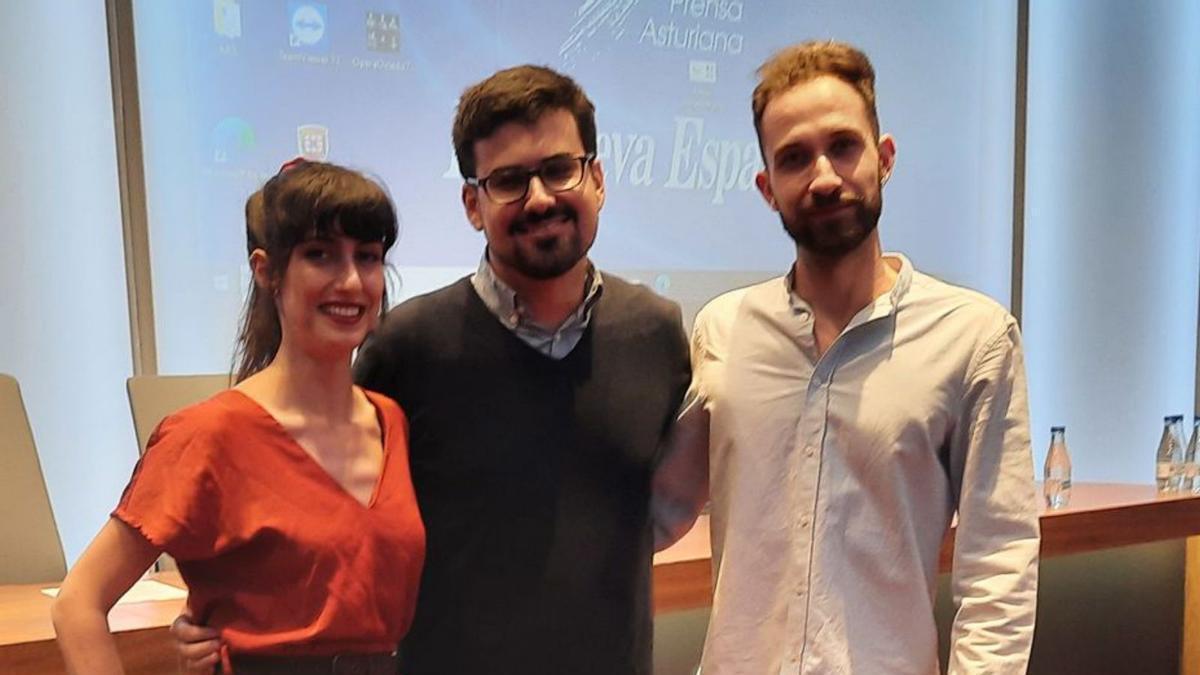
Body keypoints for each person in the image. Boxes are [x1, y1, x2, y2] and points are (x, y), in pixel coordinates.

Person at [174, 66, 705, 675]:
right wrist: (217, 609)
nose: (539, 198)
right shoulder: (406, 348)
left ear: (598, 180)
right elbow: (319, 522)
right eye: (507, 181)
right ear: (472, 205)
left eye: (559, 169)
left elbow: (659, 511)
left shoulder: (658, 334)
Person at [690, 41, 1040, 674]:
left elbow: (1000, 563)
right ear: (768, 188)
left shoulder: (973, 336)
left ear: (884, 159)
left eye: (843, 147)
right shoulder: (722, 330)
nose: (823, 177)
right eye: (794, 159)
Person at [52, 161, 425, 674]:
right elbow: (78, 603)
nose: (351, 281)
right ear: (266, 271)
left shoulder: (391, 422)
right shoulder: (208, 435)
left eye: (368, 257)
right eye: (320, 256)